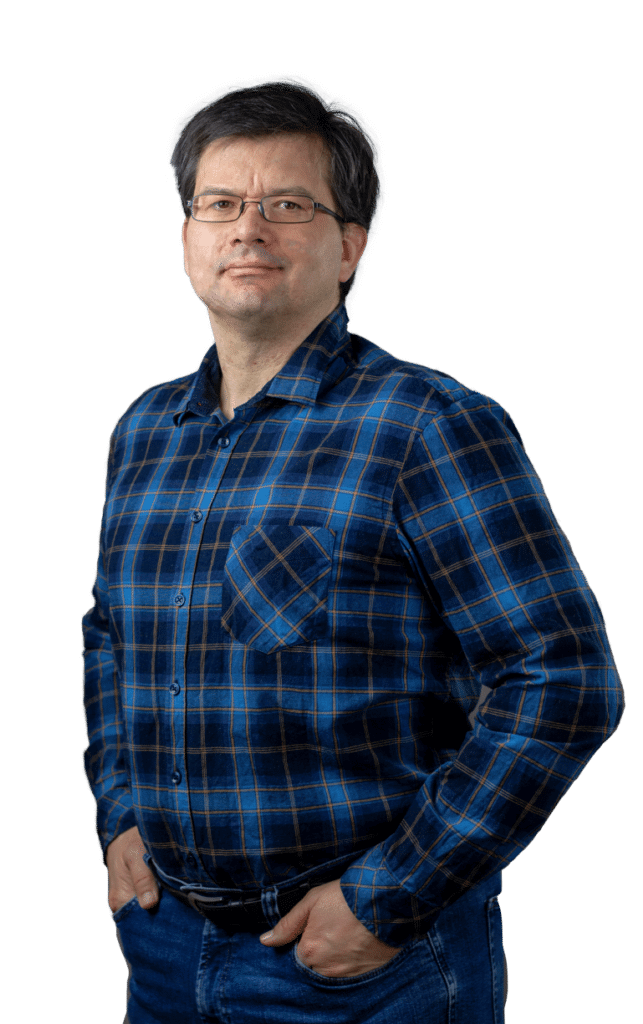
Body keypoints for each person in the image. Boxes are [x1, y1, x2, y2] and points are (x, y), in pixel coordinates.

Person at [81, 80, 624, 1024]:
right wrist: (119, 813)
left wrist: (391, 897)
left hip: (360, 969)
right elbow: (109, 637)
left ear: (348, 248)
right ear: (187, 237)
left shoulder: (426, 424)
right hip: (164, 949)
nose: (248, 228)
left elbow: (563, 680)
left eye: (289, 205)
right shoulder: (143, 430)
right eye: (220, 203)